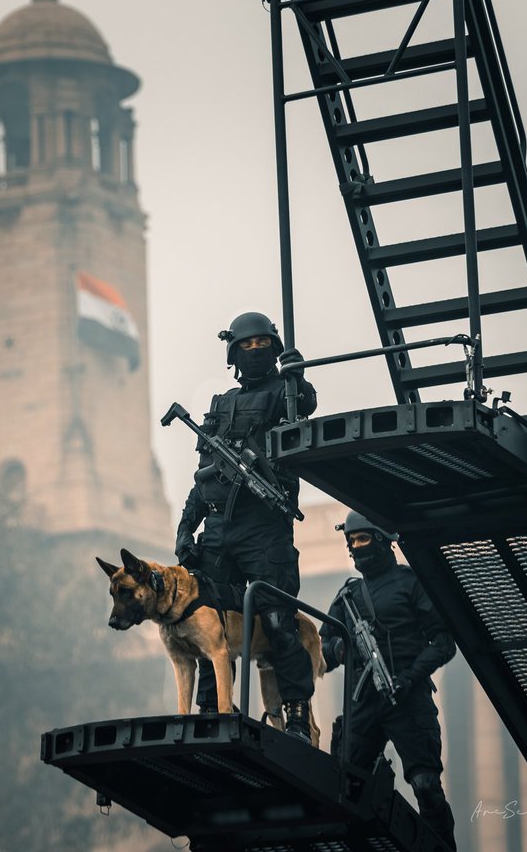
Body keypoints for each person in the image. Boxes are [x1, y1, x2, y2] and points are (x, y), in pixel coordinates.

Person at [174, 310, 317, 739]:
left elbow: (304, 407)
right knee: (205, 622)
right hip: (218, 531)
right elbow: (203, 478)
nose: (256, 352)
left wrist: (297, 377)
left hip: (264, 531)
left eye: (263, 345)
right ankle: (209, 707)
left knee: (277, 623)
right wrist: (186, 528)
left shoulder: (282, 393)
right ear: (234, 353)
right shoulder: (219, 405)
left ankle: (294, 712)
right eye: (247, 346)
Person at [322, 512, 457, 849]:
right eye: (351, 541)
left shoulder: (410, 583)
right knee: (347, 788)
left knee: (426, 785)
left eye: (362, 538)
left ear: (382, 540)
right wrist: (341, 648)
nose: (355, 546)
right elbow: (322, 647)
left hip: (407, 698)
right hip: (362, 702)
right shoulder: (347, 596)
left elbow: (443, 642)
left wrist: (410, 677)